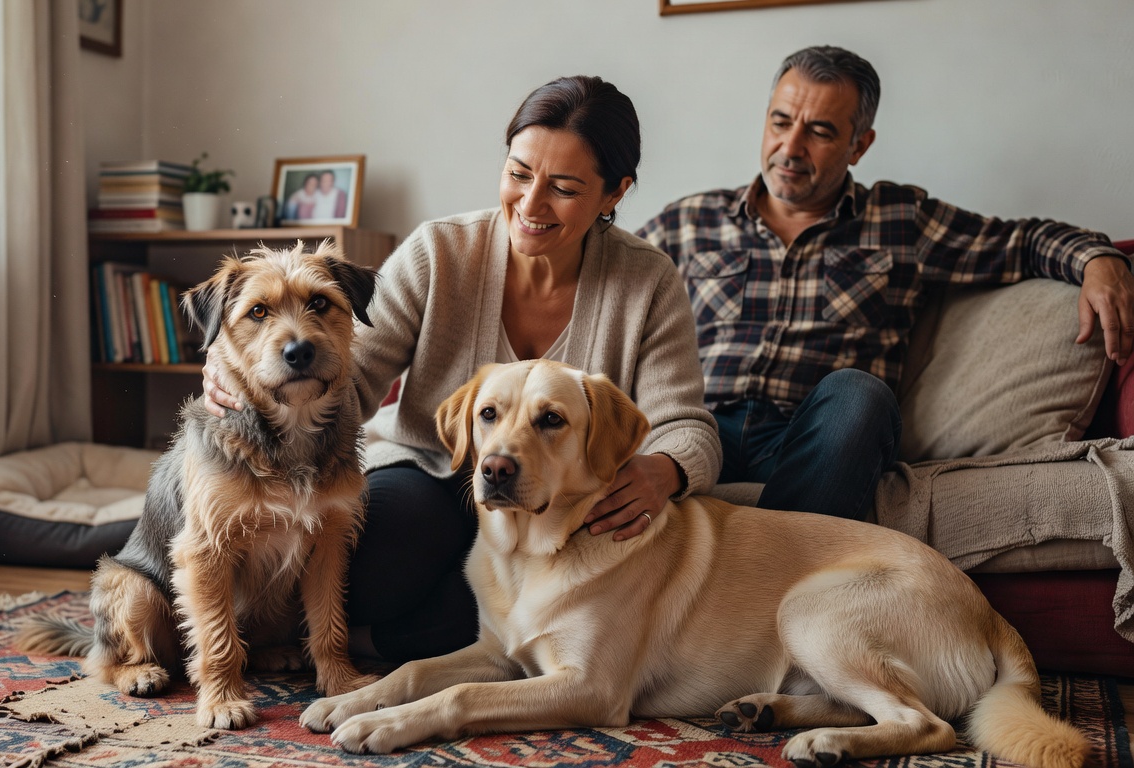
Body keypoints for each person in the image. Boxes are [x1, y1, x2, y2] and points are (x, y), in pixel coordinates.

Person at [204, 75, 722, 663]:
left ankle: (386, 644)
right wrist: (237, 369)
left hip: (561, 508)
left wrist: (666, 468)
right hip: (431, 469)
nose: (531, 204)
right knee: (371, 565)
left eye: (564, 188)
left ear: (614, 193)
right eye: (519, 173)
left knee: (514, 597)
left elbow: (687, 427)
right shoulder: (439, 251)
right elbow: (347, 380)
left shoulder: (648, 281)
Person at [636, 45, 1134, 523]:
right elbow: (600, 280)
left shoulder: (901, 219)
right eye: (781, 122)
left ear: (860, 145)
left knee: (860, 392)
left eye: (820, 131)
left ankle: (781, 558)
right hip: (700, 432)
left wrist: (1098, 259)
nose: (790, 147)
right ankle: (783, 556)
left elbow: (1023, 241)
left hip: (813, 439)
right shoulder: (689, 221)